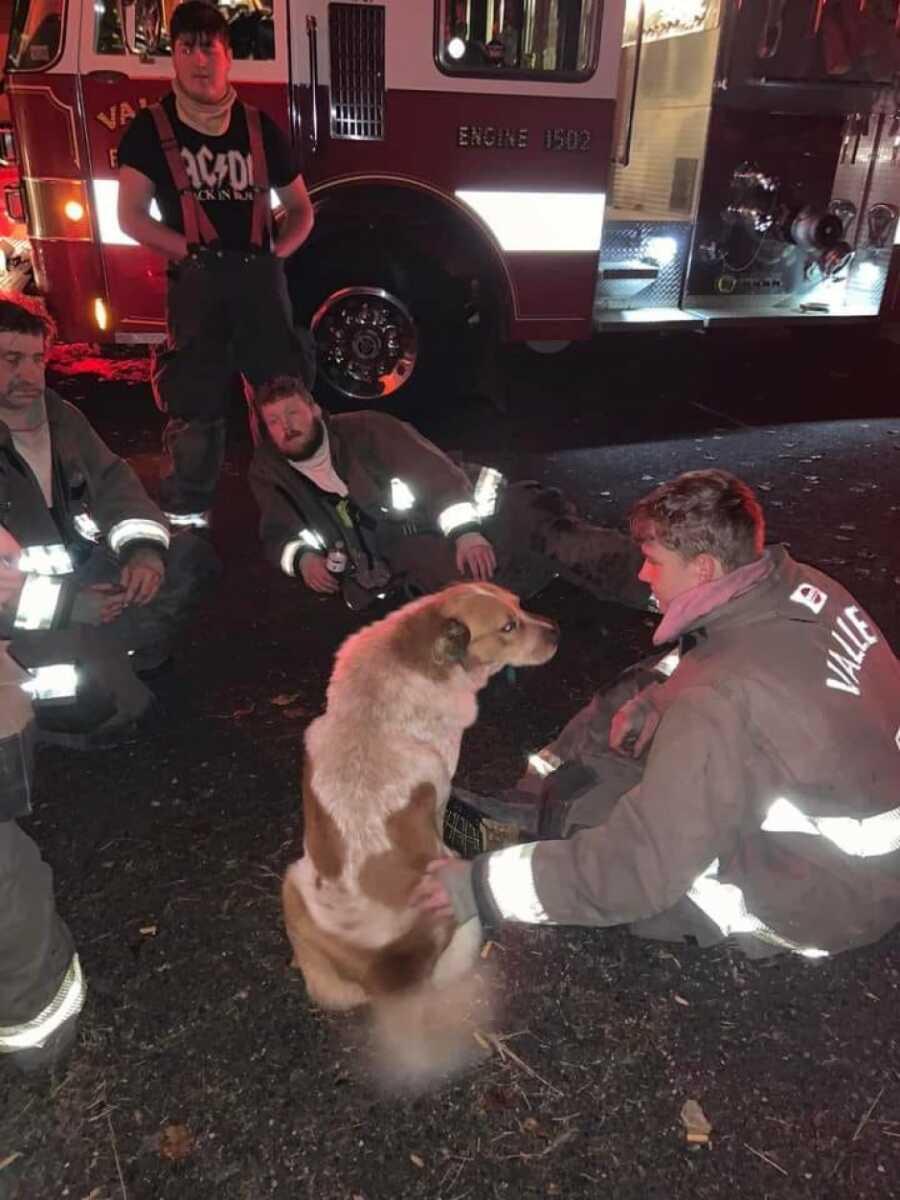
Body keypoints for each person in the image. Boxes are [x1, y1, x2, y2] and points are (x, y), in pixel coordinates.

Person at [416, 469, 900, 961]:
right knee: (644, 686)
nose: (644, 575)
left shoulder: (722, 704)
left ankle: (544, 828)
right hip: (861, 816)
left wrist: (477, 890)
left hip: (827, 891)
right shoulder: (799, 587)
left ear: (705, 568)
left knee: (608, 817)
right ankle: (531, 800)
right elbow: (721, 673)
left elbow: (638, 868)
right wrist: (657, 701)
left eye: (653, 561)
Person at [0, 293, 216, 1072]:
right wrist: (69, 604)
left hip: (81, 588)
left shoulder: (60, 416)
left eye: (34, 358)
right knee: (119, 711)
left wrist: (143, 555)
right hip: (22, 623)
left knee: (190, 557)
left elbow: (120, 484)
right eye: (8, 360)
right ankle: (61, 696)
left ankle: (120, 645)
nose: (25, 375)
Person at [117, 0, 315, 531]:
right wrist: (187, 252)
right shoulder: (148, 130)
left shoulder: (259, 128)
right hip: (197, 286)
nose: (200, 59)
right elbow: (130, 216)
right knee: (195, 405)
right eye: (187, 48)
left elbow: (301, 209)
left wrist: (276, 255)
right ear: (174, 58)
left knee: (282, 396)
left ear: (229, 57)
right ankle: (186, 521)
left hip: (258, 282)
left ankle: (299, 509)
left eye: (210, 47)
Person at [247, 375, 651, 612]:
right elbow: (278, 533)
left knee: (559, 540)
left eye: (293, 413)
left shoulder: (367, 431)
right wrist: (302, 560)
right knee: (472, 606)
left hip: (488, 517)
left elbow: (434, 475)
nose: (287, 426)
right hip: (416, 561)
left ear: (315, 410)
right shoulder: (270, 473)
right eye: (275, 421)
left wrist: (466, 532)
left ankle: (667, 589)